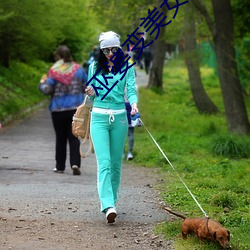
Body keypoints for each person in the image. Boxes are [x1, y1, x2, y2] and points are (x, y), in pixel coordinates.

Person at [85, 31, 138, 223]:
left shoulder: (127, 67)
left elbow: (131, 89)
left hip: (120, 118)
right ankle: (107, 205)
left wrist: (134, 104)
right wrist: (90, 91)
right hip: (98, 117)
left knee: (116, 164)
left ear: (119, 48)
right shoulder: (94, 67)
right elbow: (91, 96)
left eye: (112, 49)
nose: (109, 53)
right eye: (105, 50)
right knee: (104, 163)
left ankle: (112, 201)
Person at [39, 45, 87, 175]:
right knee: (74, 137)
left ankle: (60, 167)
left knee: (60, 138)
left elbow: (47, 90)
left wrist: (42, 83)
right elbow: (86, 87)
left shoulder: (54, 71)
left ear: (58, 57)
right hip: (75, 109)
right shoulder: (79, 70)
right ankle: (75, 163)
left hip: (58, 109)